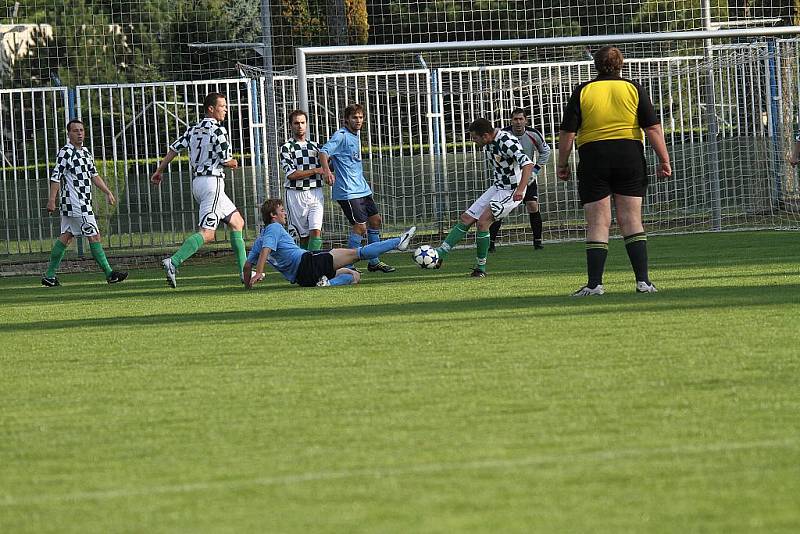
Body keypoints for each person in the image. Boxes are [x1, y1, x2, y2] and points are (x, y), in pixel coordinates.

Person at [557, 45, 671, 296]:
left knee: (598, 222)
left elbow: (568, 133)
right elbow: (652, 128)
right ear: (621, 64)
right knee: (631, 219)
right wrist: (664, 159)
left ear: (596, 65)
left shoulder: (583, 90)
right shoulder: (633, 88)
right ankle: (643, 282)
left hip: (594, 157)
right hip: (629, 155)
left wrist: (562, 163)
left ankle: (595, 285)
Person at [150, 92, 247, 288]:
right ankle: (174, 261)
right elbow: (226, 160)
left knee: (237, 222)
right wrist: (234, 162)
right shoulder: (219, 131)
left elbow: (174, 149)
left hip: (199, 184)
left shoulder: (193, 129)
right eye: (222, 106)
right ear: (211, 108)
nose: (226, 109)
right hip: (213, 183)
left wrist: (159, 170)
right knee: (208, 233)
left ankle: (245, 272)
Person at [434, 117, 533, 277]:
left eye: (475, 138)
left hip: (511, 190)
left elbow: (527, 164)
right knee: (466, 218)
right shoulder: (489, 143)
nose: (474, 141)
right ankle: (440, 254)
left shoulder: (506, 141)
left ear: (486, 135)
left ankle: (481, 268)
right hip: (497, 187)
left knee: (483, 222)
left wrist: (520, 190)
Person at [244, 199, 416, 289]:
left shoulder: (260, 237)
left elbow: (246, 265)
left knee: (354, 276)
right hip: (308, 262)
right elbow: (267, 249)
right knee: (357, 253)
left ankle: (328, 283)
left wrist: (247, 284)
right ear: (273, 215)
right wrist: (259, 272)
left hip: (303, 278)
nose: (285, 214)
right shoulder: (274, 228)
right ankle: (398, 242)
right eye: (282, 211)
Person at [41, 119, 128, 287]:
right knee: (94, 235)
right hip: (76, 204)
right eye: (75, 130)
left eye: (81, 130)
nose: (79, 133)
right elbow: (55, 177)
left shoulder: (86, 153)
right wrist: (52, 200)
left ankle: (49, 276)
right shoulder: (65, 152)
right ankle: (110, 274)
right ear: (69, 134)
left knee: (66, 237)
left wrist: (107, 192)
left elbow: (94, 175)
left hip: (81, 203)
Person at [318, 103, 396, 273]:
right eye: (354, 117)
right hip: (348, 191)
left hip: (362, 189)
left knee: (375, 221)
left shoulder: (356, 135)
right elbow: (323, 152)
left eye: (361, 117)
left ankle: (374, 261)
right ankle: (347, 265)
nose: (358, 120)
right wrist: (327, 172)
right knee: (360, 228)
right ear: (346, 119)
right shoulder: (341, 135)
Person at [489, 108, 552, 251]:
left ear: (526, 120)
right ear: (511, 121)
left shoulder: (533, 134)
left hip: (527, 177)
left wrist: (535, 171)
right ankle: (491, 243)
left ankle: (537, 242)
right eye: (515, 119)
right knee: (499, 209)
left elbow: (545, 151)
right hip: (508, 179)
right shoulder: (503, 135)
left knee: (532, 205)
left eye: (520, 119)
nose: (518, 122)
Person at [280, 109, 325, 251]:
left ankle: (315, 268)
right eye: (296, 123)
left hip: (315, 192)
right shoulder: (286, 148)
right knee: (303, 236)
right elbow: (291, 175)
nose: (300, 126)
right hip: (295, 193)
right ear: (291, 126)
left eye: (302, 123)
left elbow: (327, 167)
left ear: (306, 125)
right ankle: (305, 267)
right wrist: (316, 170)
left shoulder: (316, 147)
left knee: (316, 230)